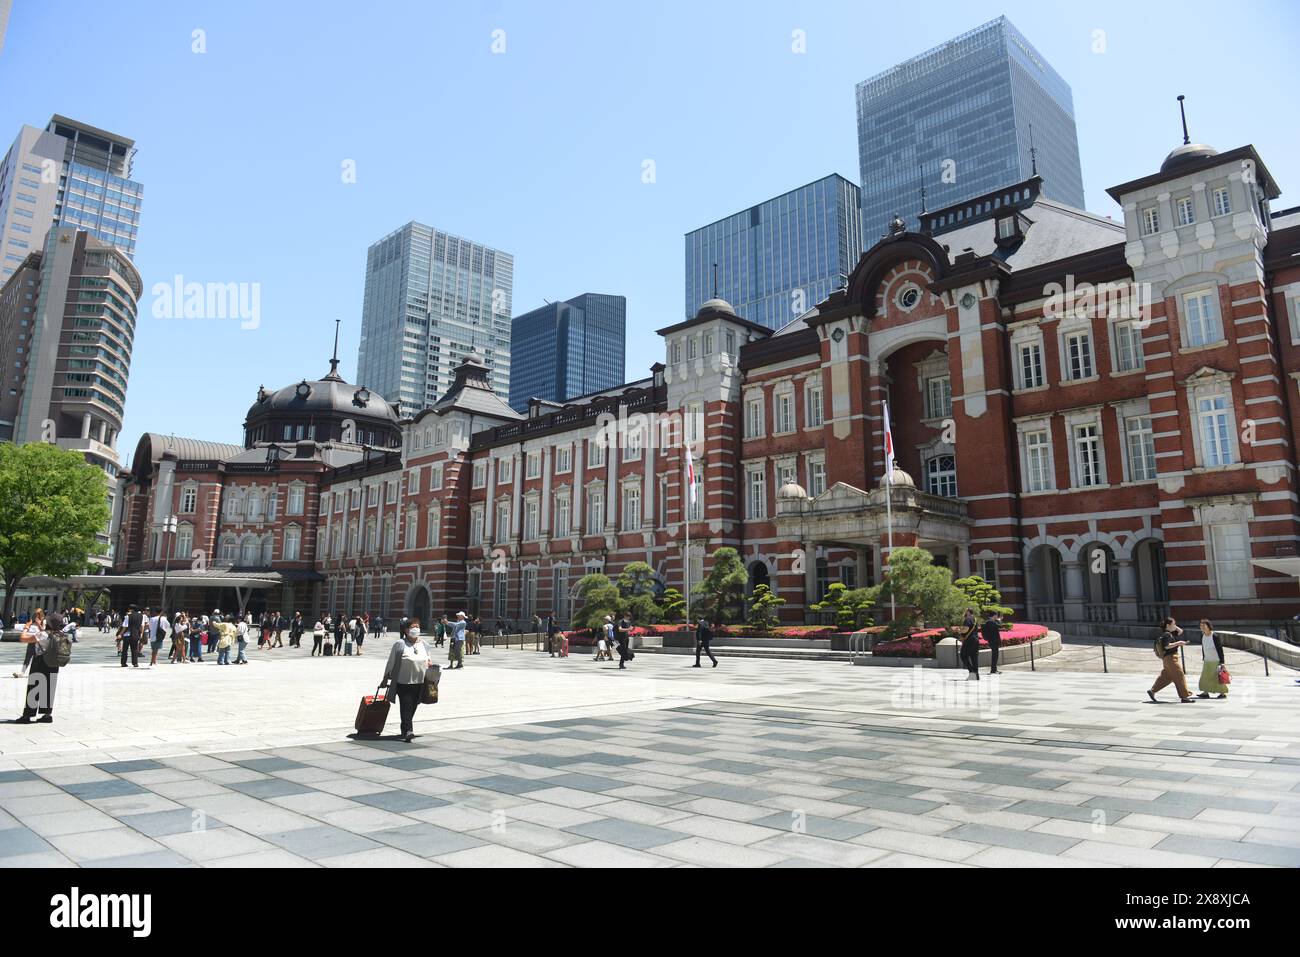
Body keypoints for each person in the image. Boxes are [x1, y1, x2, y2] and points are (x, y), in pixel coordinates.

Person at [381, 618, 431, 743]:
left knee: (413, 706)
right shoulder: (400, 644)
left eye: (418, 627)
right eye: (413, 627)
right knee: (406, 705)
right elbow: (391, 662)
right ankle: (409, 730)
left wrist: (430, 665)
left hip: (419, 682)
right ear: (406, 630)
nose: (416, 629)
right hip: (403, 681)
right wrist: (385, 677)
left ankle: (405, 727)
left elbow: (428, 659)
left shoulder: (424, 644)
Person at [14, 610, 64, 723]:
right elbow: (47, 633)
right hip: (53, 663)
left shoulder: (42, 635)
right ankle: (47, 715)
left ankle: (27, 716)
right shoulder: (60, 634)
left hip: (40, 662)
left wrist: (26, 628)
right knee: (49, 688)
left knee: (34, 688)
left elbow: (23, 638)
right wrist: (40, 626)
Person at [1148, 616, 1196, 703]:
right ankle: (1185, 697)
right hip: (1171, 659)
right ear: (1168, 625)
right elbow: (1166, 646)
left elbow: (1180, 631)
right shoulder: (1167, 635)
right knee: (1179, 675)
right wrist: (1179, 643)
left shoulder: (1169, 633)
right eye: (1173, 624)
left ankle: (1152, 691)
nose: (1175, 626)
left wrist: (1174, 626)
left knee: (1166, 677)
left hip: (1167, 660)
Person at [1196, 618, 1228, 700]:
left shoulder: (1214, 636)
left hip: (1215, 661)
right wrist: (1204, 657)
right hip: (1207, 660)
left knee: (1217, 678)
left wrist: (1222, 662)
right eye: (1201, 626)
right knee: (1205, 677)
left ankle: (1222, 693)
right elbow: (1204, 648)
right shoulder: (1202, 635)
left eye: (1204, 625)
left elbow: (1220, 650)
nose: (1202, 627)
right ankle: (1205, 692)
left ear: (1208, 626)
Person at [13, 609, 45, 679]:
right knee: (27, 657)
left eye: (37, 614)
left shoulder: (44, 621)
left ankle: (38, 673)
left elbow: (44, 631)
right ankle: (22, 672)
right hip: (32, 641)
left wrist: (39, 624)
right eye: (35, 614)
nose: (35, 616)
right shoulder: (32, 621)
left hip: (40, 643)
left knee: (38, 659)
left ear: (40, 614)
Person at [959, 607, 980, 680]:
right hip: (976, 640)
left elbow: (965, 630)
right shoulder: (975, 619)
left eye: (965, 611)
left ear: (968, 612)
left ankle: (972, 672)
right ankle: (976, 675)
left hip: (969, 640)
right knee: (974, 658)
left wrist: (959, 630)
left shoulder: (967, 619)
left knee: (963, 655)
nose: (964, 612)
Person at [981, 610, 1002, 676]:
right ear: (994, 615)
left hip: (992, 640)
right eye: (996, 615)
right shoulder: (991, 622)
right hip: (993, 641)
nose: (997, 616)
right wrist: (999, 620)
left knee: (994, 655)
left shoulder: (989, 622)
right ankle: (993, 669)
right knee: (995, 655)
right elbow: (998, 626)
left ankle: (994, 669)